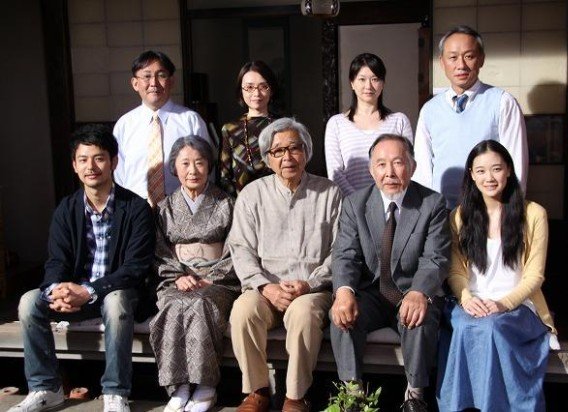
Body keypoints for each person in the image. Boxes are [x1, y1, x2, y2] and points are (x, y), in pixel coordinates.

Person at [11, 125, 155, 412]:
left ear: (114, 162)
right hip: (76, 295)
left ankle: (115, 392)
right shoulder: (66, 209)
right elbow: (57, 261)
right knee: (29, 301)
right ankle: (45, 387)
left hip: (117, 292)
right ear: (74, 165)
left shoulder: (136, 208)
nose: (91, 167)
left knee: (115, 301)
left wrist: (89, 291)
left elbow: (135, 268)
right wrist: (56, 291)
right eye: (83, 159)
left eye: (99, 158)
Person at [227, 118, 342, 412]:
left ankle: (295, 396)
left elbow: (340, 250)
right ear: (268, 158)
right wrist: (266, 287)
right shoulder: (252, 194)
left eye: (294, 148)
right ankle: (257, 391)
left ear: (307, 152)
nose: (287, 157)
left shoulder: (329, 193)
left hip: (312, 289)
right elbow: (240, 248)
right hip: (266, 289)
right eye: (278, 151)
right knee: (243, 310)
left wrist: (309, 284)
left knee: (303, 313)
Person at [330, 134, 451, 412]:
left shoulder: (432, 203)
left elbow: (436, 258)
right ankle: (353, 395)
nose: (390, 172)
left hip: (411, 290)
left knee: (419, 317)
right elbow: (345, 254)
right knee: (342, 315)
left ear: (412, 166)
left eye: (398, 163)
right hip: (372, 293)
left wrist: (419, 291)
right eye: (381, 164)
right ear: (371, 170)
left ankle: (415, 395)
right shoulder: (355, 204)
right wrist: (344, 292)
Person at [436, 140, 558, 412]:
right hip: (472, 301)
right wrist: (466, 298)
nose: (489, 177)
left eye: (496, 169)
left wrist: (504, 303)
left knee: (492, 328)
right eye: (480, 171)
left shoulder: (534, 214)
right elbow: (455, 270)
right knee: (466, 327)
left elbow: (535, 275)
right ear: (471, 174)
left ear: (509, 170)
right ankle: (462, 406)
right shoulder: (459, 216)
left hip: (518, 305)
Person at [149, 136, 240, 412]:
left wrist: (212, 276)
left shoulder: (226, 203)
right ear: (174, 168)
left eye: (199, 163)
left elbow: (238, 247)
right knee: (173, 305)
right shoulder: (164, 208)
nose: (193, 170)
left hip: (217, 279)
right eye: (185, 164)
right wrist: (177, 276)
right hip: (177, 278)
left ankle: (205, 386)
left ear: (209, 166)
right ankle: (179, 386)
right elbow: (159, 250)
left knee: (201, 303)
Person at [412, 25, 528, 209]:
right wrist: (426, 211)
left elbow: (516, 162)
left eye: (469, 56)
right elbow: (423, 168)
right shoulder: (429, 109)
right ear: (442, 62)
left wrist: (510, 209)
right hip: (441, 210)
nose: (461, 65)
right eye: (453, 57)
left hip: (489, 210)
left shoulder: (502, 102)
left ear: (481, 59)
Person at [113, 50, 215, 206]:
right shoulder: (124, 125)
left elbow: (207, 168)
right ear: (135, 83)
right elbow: (118, 174)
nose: (154, 83)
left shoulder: (190, 120)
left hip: (182, 207)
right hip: (135, 208)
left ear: (171, 81)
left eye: (161, 75)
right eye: (147, 76)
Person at [325, 53, 413, 196]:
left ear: (382, 83)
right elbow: (335, 173)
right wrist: (360, 202)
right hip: (352, 205)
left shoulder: (399, 121)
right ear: (352, 83)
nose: (368, 86)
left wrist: (386, 202)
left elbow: (408, 165)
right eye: (362, 79)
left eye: (375, 79)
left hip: (393, 202)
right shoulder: (336, 124)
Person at [219, 61, 280, 198]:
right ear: (241, 91)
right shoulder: (230, 130)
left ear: (271, 89)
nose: (256, 93)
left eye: (263, 86)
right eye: (249, 87)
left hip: (280, 204)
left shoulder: (284, 127)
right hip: (242, 205)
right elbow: (225, 178)